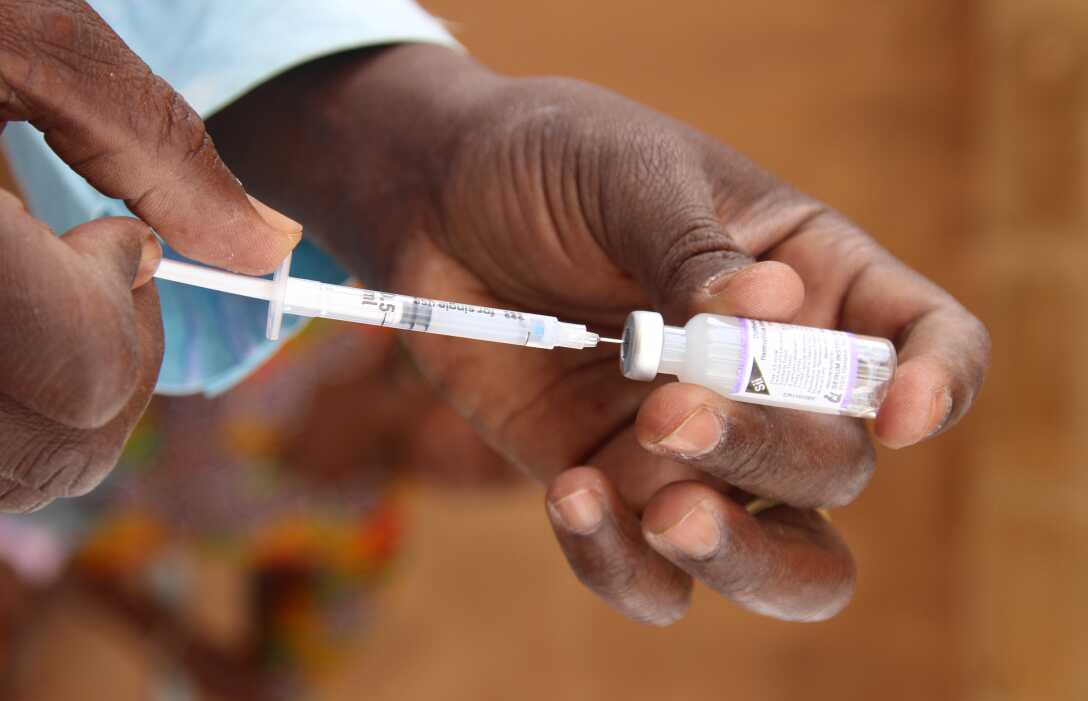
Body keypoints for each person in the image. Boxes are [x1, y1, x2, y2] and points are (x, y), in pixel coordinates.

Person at [0, 0, 990, 625]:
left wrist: (422, 152)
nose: (483, 466)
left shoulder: (325, 479)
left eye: (486, 478)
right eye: (485, 462)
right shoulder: (295, 348)